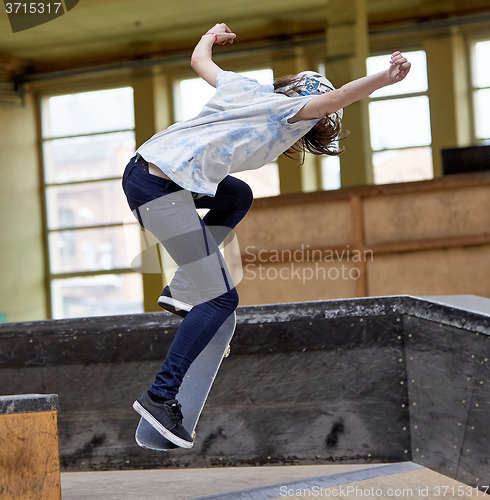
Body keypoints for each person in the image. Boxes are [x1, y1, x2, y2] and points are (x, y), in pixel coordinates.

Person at [122, 23, 411, 449]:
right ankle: (160, 397)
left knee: (237, 194)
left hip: (152, 172)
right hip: (160, 191)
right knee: (221, 298)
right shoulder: (289, 113)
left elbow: (199, 61)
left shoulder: (248, 87)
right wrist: (383, 78)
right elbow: (337, 98)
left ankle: (183, 287)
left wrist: (210, 35)